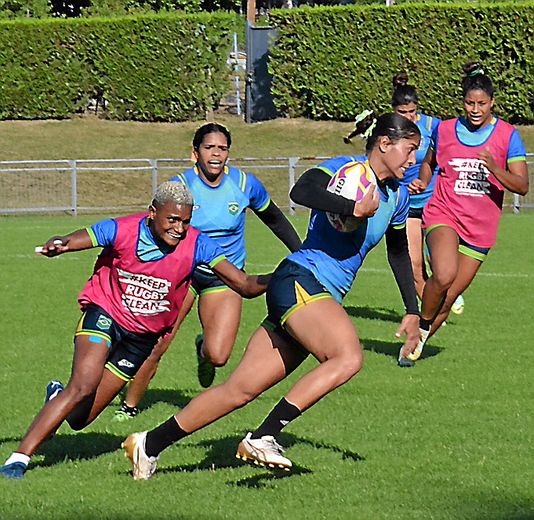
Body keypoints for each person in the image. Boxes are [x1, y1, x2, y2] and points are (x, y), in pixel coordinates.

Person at [122, 113, 423, 480]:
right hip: (301, 279)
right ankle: (264, 435)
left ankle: (148, 444)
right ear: (385, 144)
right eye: (409, 150)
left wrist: (412, 310)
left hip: (314, 293)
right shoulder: (347, 170)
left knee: (239, 389)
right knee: (347, 357)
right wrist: (351, 208)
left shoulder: (398, 196)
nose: (413, 161)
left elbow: (397, 252)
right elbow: (302, 191)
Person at [0, 181, 270, 480]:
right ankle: (19, 459)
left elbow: (244, 285)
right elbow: (79, 238)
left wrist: (281, 276)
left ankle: (56, 400)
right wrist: (61, 243)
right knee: (83, 384)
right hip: (105, 313)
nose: (179, 229)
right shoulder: (123, 229)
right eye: (172, 220)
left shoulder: (197, 243)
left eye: (186, 222)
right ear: (152, 212)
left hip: (142, 337)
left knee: (79, 419)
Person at [114, 123, 301, 422]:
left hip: (225, 276)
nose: (216, 154)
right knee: (157, 342)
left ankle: (203, 350)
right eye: (209, 147)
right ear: (195, 153)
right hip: (182, 273)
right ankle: (130, 407)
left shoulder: (244, 185)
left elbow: (274, 218)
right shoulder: (179, 187)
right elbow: (152, 227)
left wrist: (300, 251)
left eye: (222, 148)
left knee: (219, 356)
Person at [401, 62, 529, 366]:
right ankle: (419, 327)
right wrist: (422, 178)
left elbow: (522, 186)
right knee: (443, 274)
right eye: (470, 103)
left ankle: (418, 339)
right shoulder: (445, 130)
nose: (475, 109)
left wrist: (495, 170)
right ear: (463, 102)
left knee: (446, 299)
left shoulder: (508, 136)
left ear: (492, 103)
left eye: (481, 104)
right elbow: (430, 162)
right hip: (444, 212)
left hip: (480, 228)